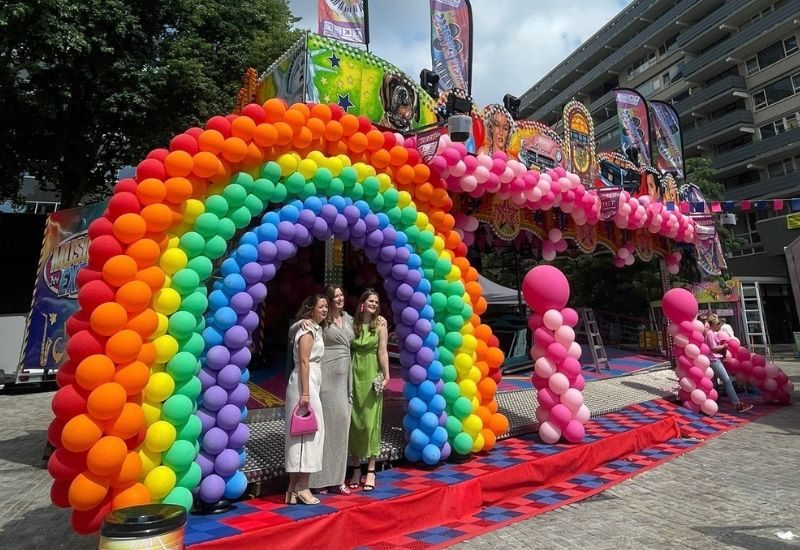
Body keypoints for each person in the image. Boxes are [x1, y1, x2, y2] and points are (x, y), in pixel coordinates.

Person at [284, 294, 328, 505]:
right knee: (308, 435)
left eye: (326, 306)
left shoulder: (314, 329)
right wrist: (305, 393)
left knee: (302, 433)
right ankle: (303, 486)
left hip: (310, 380)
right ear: (311, 310)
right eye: (321, 306)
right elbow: (304, 361)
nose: (325, 310)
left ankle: (292, 488)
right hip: (305, 381)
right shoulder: (308, 330)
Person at [348, 290, 390, 491]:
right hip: (353, 374)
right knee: (354, 422)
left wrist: (387, 375)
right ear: (362, 303)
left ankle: (371, 469)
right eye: (370, 300)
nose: (374, 304)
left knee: (370, 422)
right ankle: (356, 468)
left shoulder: (380, 325)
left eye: (376, 301)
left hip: (372, 373)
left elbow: (382, 351)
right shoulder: (352, 324)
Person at [705, 314, 753, 413]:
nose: (719, 326)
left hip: (715, 359)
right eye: (717, 323)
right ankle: (737, 404)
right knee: (727, 381)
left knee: (714, 383)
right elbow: (713, 348)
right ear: (712, 324)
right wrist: (724, 346)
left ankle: (713, 402)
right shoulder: (710, 333)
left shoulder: (712, 333)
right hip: (714, 360)